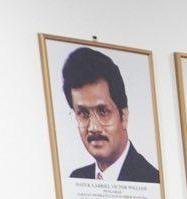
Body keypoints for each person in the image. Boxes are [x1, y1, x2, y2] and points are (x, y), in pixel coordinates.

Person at [62, 45, 158, 183]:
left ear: (124, 116)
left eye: (103, 112)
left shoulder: (152, 181)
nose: (93, 127)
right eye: (83, 113)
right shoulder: (77, 178)